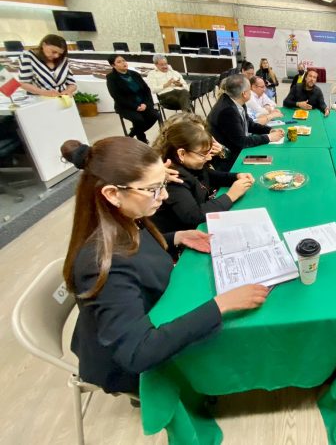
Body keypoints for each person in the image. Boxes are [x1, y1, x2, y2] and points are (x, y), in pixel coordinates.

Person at [61, 136, 269, 395]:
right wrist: (221, 305)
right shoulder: (102, 264)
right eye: (153, 189)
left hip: (156, 313)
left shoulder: (126, 217)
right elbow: (137, 353)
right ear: (113, 194)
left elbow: (136, 250)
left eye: (163, 184)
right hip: (134, 367)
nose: (165, 195)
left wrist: (176, 237)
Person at [151, 116, 255, 232]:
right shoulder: (173, 177)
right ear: (182, 153)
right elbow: (193, 215)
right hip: (180, 234)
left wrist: (235, 176)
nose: (209, 158)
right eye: (203, 154)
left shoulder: (188, 163)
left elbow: (209, 175)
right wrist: (231, 195)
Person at [208, 74, 284, 170]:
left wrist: (270, 130)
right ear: (244, 93)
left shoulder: (237, 101)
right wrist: (269, 137)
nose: (251, 92)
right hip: (229, 159)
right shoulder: (228, 111)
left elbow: (249, 124)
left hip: (237, 150)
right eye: (249, 89)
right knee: (271, 164)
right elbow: (242, 142)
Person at [106, 54, 159, 143]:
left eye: (123, 60)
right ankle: (142, 139)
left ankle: (130, 135)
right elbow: (117, 97)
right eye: (119, 62)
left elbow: (146, 90)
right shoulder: (111, 78)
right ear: (113, 65)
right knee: (138, 120)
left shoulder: (134, 74)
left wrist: (145, 103)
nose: (123, 63)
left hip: (142, 103)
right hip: (126, 106)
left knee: (155, 115)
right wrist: (135, 107)